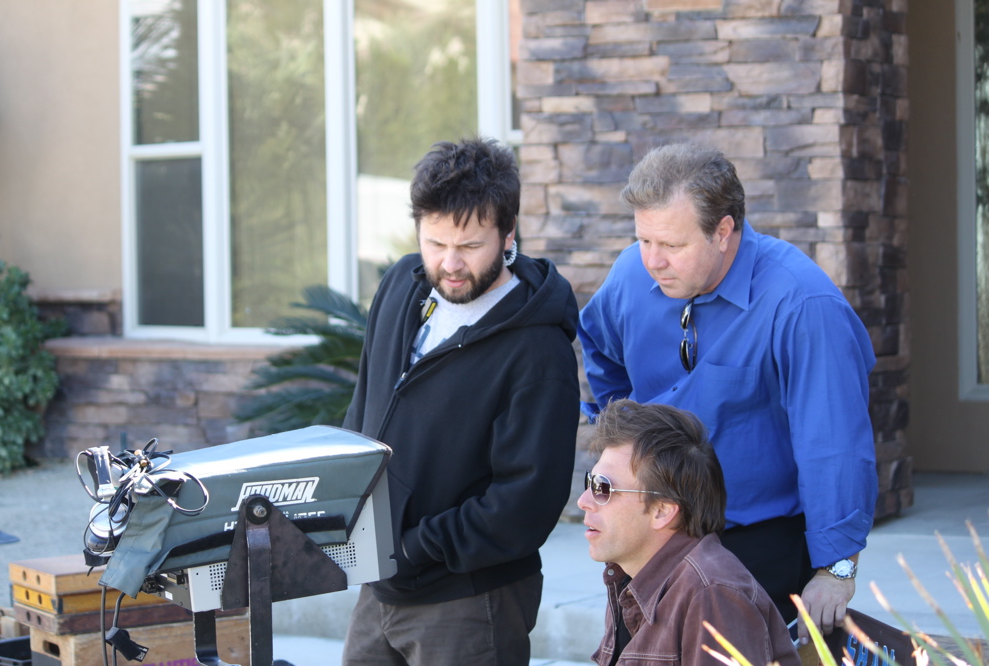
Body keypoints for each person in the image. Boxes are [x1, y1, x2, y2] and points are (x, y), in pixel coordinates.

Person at [578, 142, 877, 642]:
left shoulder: (803, 304)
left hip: (759, 541)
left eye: (671, 245)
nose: (652, 261)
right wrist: (627, 445)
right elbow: (601, 348)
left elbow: (835, 444)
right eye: (643, 240)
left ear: (723, 232)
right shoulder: (632, 274)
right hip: (654, 529)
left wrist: (836, 568)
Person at [340, 136, 581, 665]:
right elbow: (362, 410)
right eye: (434, 243)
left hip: (471, 602)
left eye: (470, 246)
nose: (449, 263)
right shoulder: (400, 288)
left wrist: (413, 549)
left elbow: (526, 504)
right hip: (378, 586)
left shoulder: (538, 350)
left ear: (507, 234)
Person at [578, 398, 801, 666]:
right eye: (590, 481)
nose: (583, 500)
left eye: (603, 488)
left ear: (662, 510)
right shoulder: (629, 574)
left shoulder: (713, 597)